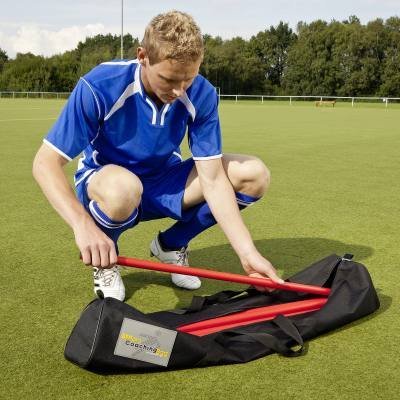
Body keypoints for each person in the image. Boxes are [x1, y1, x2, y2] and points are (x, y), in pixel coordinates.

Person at [32, 10, 284, 301]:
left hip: (164, 180)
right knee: (123, 188)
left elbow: (213, 180)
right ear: (142, 56)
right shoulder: (100, 84)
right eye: (169, 79)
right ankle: (107, 259)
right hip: (109, 184)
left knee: (253, 174)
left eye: (188, 79)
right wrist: (82, 225)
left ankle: (171, 245)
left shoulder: (202, 93)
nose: (179, 90)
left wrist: (248, 253)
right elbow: (45, 163)